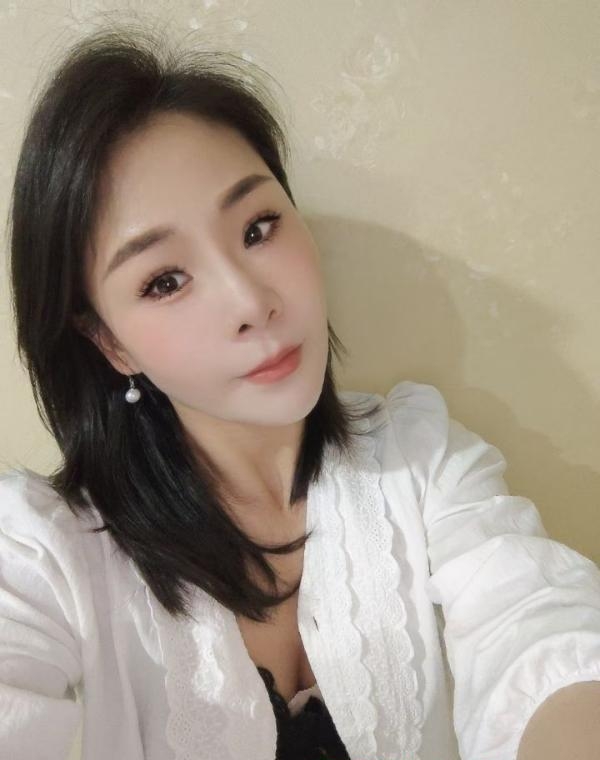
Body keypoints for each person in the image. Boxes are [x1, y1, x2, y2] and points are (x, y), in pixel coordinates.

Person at [2, 23, 600, 760]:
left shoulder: (420, 464)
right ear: (109, 342)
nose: (251, 302)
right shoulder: (49, 553)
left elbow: (542, 633)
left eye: (258, 228)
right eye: (165, 280)